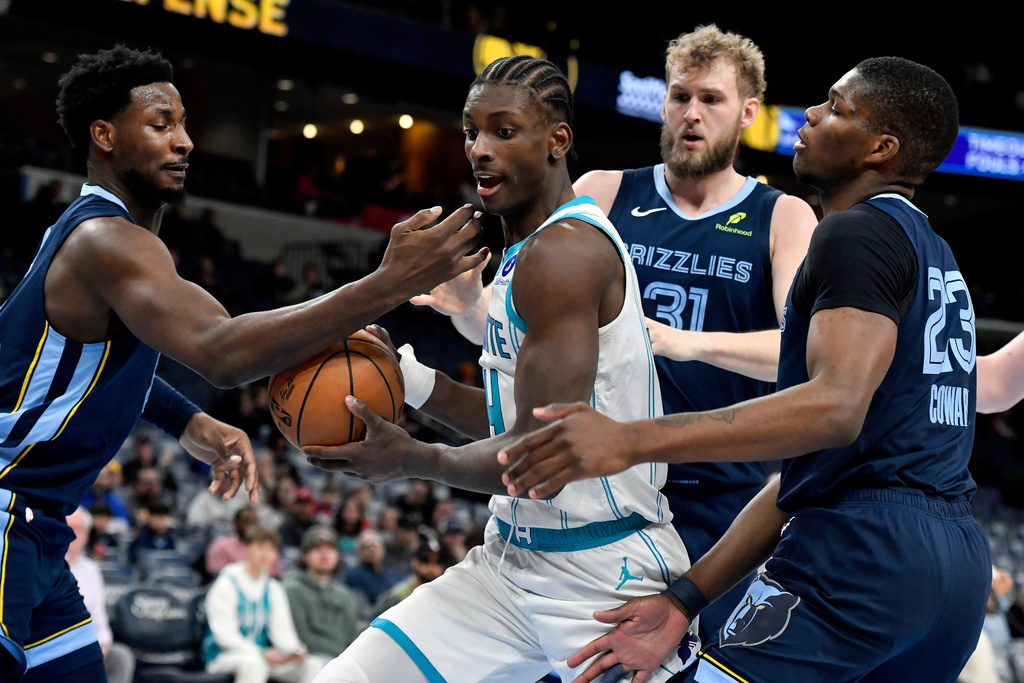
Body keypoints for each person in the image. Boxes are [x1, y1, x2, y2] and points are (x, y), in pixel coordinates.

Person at [498, 56, 991, 683]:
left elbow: (834, 409)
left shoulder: (855, 234)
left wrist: (630, 439)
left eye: (836, 108)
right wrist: (685, 600)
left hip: (862, 553)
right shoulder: (934, 252)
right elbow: (805, 478)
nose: (810, 114)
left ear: (881, 149)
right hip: (955, 568)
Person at [0, 43, 484, 681]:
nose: (185, 141)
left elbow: (103, 364)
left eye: (183, 123)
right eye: (161, 124)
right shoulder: (105, 241)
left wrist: (187, 420)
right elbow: (223, 353)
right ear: (104, 135)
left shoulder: (102, 237)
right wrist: (387, 284)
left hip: (36, 527)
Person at [412, 24, 818, 643]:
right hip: (602, 492)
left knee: (697, 669)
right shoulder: (603, 192)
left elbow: (805, 354)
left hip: (722, 496)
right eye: (680, 96)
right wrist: (470, 307)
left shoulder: (783, 215)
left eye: (711, 99)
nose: (692, 113)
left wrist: (687, 341)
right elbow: (515, 340)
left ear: (748, 113)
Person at [305, 55, 689, 683]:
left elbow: (536, 461)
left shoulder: (565, 253)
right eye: (471, 132)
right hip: (508, 564)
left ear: (557, 140)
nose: (480, 149)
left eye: (503, 131)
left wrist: (410, 458)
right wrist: (408, 381)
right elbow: (512, 421)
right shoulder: (524, 251)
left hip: (603, 577)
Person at [202, 526, 326, 682]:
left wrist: (295, 651)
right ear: (246, 549)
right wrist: (261, 653)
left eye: (271, 549)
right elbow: (225, 637)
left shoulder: (274, 588)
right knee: (254, 664)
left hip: (263, 656)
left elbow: (283, 633)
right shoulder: (226, 585)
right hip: (223, 655)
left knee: (313, 665)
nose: (265, 554)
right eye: (260, 547)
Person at [65, 507, 136, 683]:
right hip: (57, 647)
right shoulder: (45, 565)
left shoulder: (92, 571)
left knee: (121, 657)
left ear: (86, 536)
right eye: (69, 527)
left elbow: (101, 624)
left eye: (79, 529)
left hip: (87, 649)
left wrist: (102, 645)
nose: (73, 534)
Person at [283, 525, 364, 660]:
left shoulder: (345, 594)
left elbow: (353, 635)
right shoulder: (292, 589)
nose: (324, 555)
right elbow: (302, 636)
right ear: (304, 555)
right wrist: (342, 655)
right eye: (317, 549)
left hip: (343, 658)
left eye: (330, 549)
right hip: (311, 657)